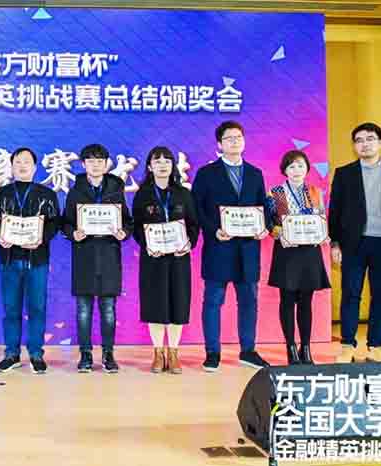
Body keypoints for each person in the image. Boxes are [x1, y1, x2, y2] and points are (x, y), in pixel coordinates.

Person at [329, 122, 381, 363]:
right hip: (353, 244)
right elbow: (335, 211)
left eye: (370, 139)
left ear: (380, 142)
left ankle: (376, 346)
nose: (364, 144)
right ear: (354, 146)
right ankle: (347, 345)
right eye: (359, 140)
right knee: (350, 294)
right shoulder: (344, 173)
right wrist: (335, 243)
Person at [191, 120, 271, 372]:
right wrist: (213, 230)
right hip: (219, 247)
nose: (235, 142)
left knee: (249, 301)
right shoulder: (207, 173)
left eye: (238, 137)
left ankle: (248, 350)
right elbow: (196, 208)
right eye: (229, 138)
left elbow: (263, 207)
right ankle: (212, 352)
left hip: (248, 250)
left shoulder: (255, 173)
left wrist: (264, 227)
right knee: (213, 301)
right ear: (219, 144)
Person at [0, 147, 61, 374]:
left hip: (37, 260)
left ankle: (36, 353)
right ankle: (11, 353)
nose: (22, 165)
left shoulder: (47, 194)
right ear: (11, 166)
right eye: (17, 162)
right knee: (11, 308)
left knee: (37, 307)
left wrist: (40, 239)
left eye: (26, 162)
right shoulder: (1, 193)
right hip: (9, 259)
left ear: (35, 167)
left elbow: (54, 224)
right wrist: (0, 236)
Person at [63, 143, 133, 373]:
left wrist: (124, 233)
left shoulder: (115, 190)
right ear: (83, 165)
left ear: (106, 165)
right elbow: (65, 222)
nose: (95, 165)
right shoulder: (75, 192)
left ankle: (108, 354)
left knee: (108, 309)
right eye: (91, 161)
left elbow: (127, 221)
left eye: (100, 161)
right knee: (83, 310)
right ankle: (85, 355)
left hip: (109, 255)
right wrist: (73, 233)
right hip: (84, 255)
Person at [132, 146, 199, 374]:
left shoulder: (183, 193)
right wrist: (148, 245)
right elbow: (136, 226)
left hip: (179, 258)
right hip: (153, 259)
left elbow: (193, 224)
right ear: (150, 167)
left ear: (173, 166)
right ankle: (158, 353)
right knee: (155, 304)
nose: (162, 165)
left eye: (167, 161)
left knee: (178, 303)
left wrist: (188, 243)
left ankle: (174, 353)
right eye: (157, 161)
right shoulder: (142, 195)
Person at [266, 150, 330, 365]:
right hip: (287, 252)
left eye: (300, 165)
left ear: (307, 169)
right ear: (284, 170)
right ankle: (290, 347)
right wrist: (278, 233)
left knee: (306, 301)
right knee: (287, 300)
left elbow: (321, 218)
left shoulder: (315, 192)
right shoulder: (275, 193)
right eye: (291, 166)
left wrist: (322, 233)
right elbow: (269, 223)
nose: (296, 170)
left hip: (309, 252)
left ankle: (306, 347)